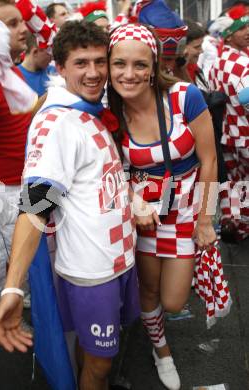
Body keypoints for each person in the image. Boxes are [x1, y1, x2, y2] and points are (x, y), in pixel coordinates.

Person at [0, 20, 140, 390]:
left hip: (119, 258)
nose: (93, 73)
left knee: (97, 356)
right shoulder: (58, 122)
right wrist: (12, 287)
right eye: (81, 63)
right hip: (92, 270)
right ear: (59, 67)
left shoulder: (87, 107)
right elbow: (36, 207)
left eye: (99, 62)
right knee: (100, 364)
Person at [108, 23, 217, 390]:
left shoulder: (185, 97)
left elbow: (210, 160)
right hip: (145, 215)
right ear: (108, 66)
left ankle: (158, 332)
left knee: (173, 301)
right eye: (119, 63)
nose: (129, 73)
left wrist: (206, 218)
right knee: (149, 292)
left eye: (140, 64)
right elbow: (109, 173)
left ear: (154, 65)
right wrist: (134, 201)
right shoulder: (109, 111)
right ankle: (161, 350)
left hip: (186, 212)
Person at [0, 0, 32, 300]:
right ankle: (11, 316)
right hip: (1, 189)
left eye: (20, 21)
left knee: (36, 250)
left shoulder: (11, 71)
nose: (22, 28)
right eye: (11, 25)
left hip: (32, 181)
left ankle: (32, 306)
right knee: (10, 259)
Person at [209, 4, 249, 242]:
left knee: (236, 182)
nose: (247, 31)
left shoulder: (217, 62)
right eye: (242, 27)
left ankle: (234, 222)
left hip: (227, 135)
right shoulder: (242, 64)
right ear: (228, 34)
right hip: (244, 133)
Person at [18, 32, 54, 96]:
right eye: (49, 52)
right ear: (35, 52)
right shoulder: (16, 77)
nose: (52, 58)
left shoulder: (53, 72)